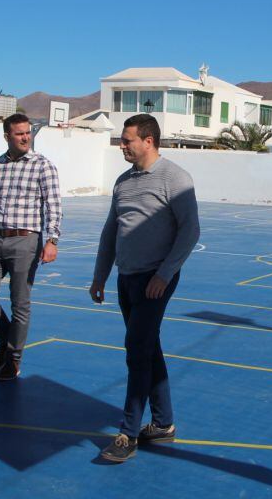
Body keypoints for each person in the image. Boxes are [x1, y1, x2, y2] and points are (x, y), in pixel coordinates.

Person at [90, 113, 200, 462]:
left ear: (148, 141)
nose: (122, 145)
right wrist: (100, 275)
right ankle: (164, 423)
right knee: (147, 348)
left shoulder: (175, 178)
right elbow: (111, 232)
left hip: (156, 279)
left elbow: (190, 231)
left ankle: (127, 434)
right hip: (127, 277)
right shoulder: (123, 182)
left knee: (136, 349)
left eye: (127, 140)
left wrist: (165, 274)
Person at [0, 113, 61, 381]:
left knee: (20, 303)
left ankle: (13, 358)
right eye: (19, 134)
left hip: (25, 240)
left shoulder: (43, 166)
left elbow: (54, 205)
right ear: (7, 136)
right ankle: (6, 340)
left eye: (27, 132)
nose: (25, 137)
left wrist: (52, 240)